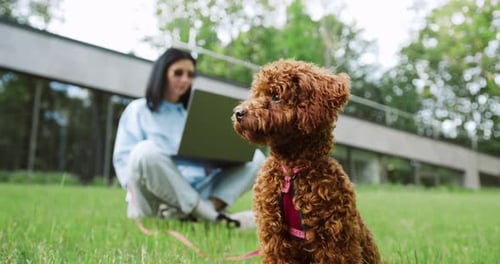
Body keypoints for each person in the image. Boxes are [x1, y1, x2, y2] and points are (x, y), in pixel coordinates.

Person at [112, 47, 265, 226]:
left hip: (199, 190)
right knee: (144, 152)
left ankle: (196, 212)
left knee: (256, 158)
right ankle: (209, 216)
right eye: (178, 73)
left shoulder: (194, 114)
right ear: (161, 74)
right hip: (154, 197)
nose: (185, 80)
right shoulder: (138, 110)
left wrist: (218, 159)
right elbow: (125, 162)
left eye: (190, 74)